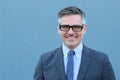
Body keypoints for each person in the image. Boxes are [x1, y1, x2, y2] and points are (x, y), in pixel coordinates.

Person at [34, 6, 116, 80]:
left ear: (84, 29)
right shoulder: (44, 61)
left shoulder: (101, 61)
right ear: (58, 29)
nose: (70, 32)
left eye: (76, 27)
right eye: (65, 27)